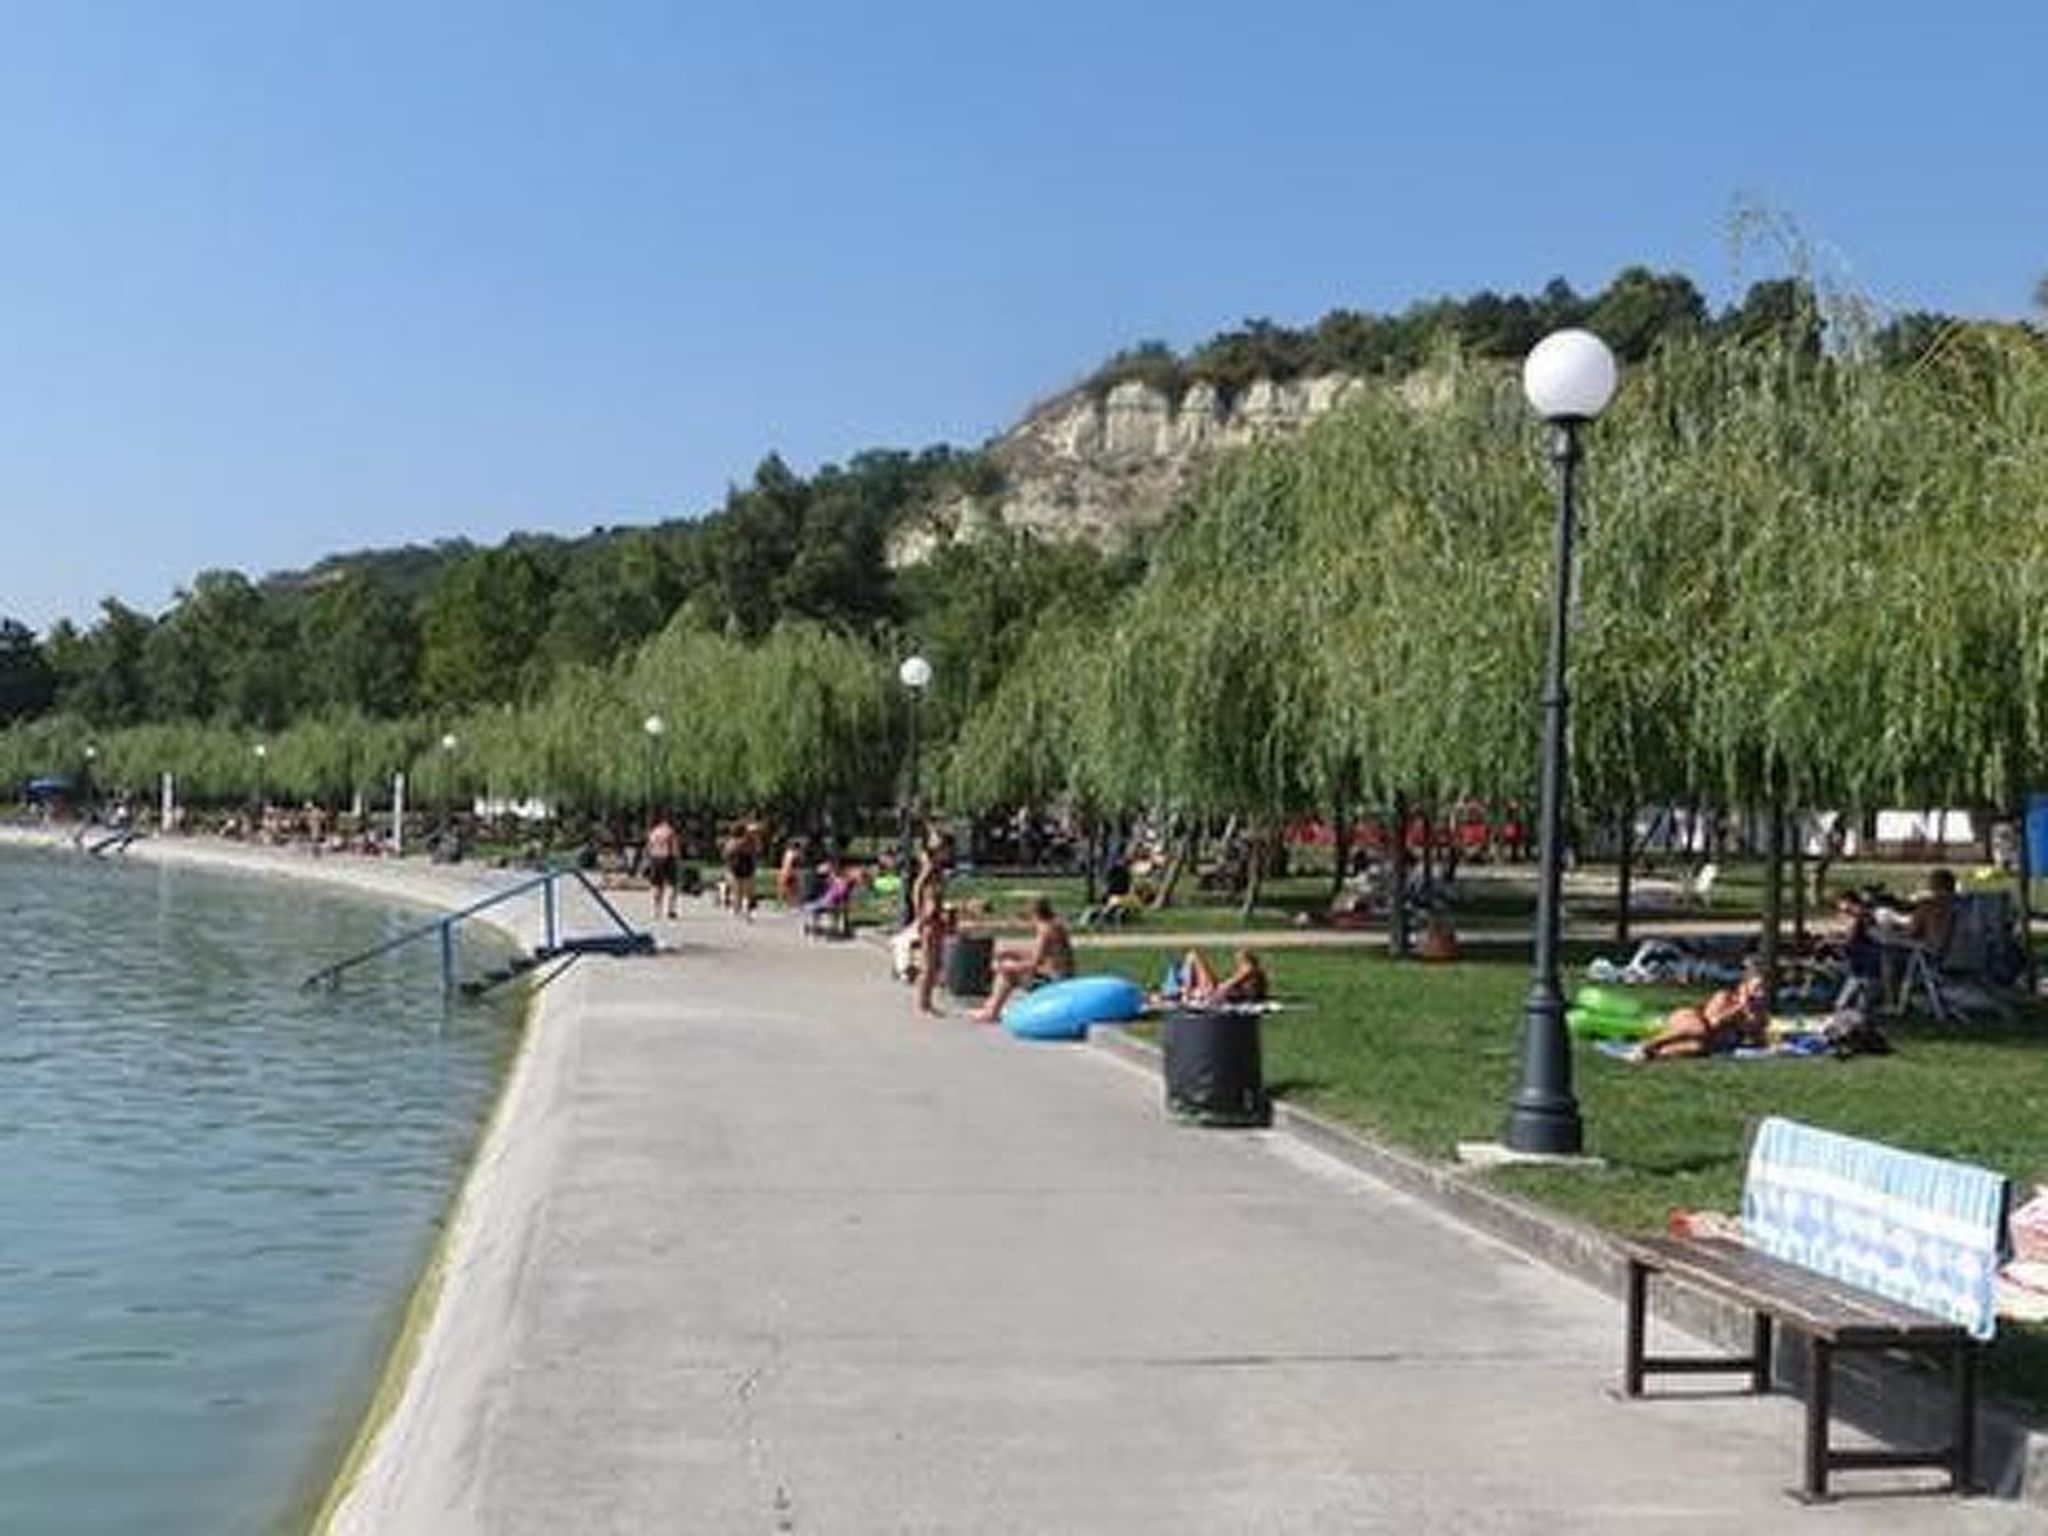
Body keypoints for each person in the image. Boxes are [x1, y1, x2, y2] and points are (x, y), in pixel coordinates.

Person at [1627, 962, 1769, 1062]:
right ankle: (1647, 1045)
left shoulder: (1758, 1014)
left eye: (1763, 990)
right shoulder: (1724, 997)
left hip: (1704, 1041)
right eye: (1756, 989)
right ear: (1743, 987)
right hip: (1690, 1017)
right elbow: (1712, 1022)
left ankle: (1653, 1054)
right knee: (1699, 1029)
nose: (1760, 994)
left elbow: (1759, 1044)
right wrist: (1740, 1007)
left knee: (1697, 1048)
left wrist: (1755, 1028)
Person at [971, 897, 1075, 1022]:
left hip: (1055, 982)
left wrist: (1009, 967)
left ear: (1034, 914)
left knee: (1008, 973)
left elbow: (1034, 963)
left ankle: (992, 1012)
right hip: (1063, 977)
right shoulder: (1054, 925)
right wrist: (1010, 952)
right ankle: (991, 1006)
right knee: (1008, 963)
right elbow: (1039, 953)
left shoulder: (1045, 930)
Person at [910, 837, 950, 1016]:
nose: (948, 853)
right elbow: (917, 887)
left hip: (935, 918)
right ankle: (924, 1005)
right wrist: (919, 914)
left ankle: (927, 1002)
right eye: (944, 849)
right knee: (929, 964)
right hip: (929, 920)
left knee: (934, 964)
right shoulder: (931, 868)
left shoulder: (937, 868)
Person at [1171, 946, 1269, 1006]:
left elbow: (1224, 987)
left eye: (1239, 958)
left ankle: (1186, 995)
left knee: (1193, 954)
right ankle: (1186, 993)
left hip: (1215, 994)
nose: (1237, 961)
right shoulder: (1251, 971)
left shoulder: (1248, 970)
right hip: (1220, 994)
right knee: (1193, 955)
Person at [643, 810, 681, 920]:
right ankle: (670, 909)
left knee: (657, 885)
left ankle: (656, 910)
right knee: (673, 885)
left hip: (655, 859)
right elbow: (675, 848)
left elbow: (648, 848)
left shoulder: (653, 832)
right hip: (668, 858)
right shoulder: (670, 831)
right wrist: (677, 859)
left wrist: (648, 859)